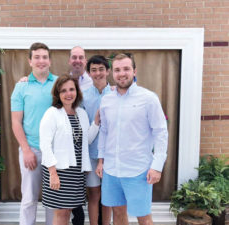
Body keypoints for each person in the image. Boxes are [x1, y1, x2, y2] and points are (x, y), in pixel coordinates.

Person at [96, 53, 168, 225]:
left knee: (144, 218)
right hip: (112, 170)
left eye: (126, 69)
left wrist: (157, 166)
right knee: (118, 214)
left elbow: (160, 132)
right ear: (112, 73)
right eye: (117, 70)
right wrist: (101, 160)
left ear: (134, 71)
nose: (122, 74)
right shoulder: (106, 100)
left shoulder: (149, 98)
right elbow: (104, 131)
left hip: (138, 170)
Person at [39, 75, 99, 225]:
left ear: (77, 92)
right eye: (63, 91)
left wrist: (96, 123)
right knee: (61, 212)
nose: (68, 94)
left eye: (71, 89)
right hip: (58, 171)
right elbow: (45, 145)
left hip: (76, 172)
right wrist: (52, 173)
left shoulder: (81, 113)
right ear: (58, 94)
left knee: (69, 211)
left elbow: (86, 140)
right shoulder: (52, 113)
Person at [11, 42, 56, 225]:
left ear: (50, 61)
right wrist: (26, 150)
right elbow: (16, 122)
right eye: (36, 57)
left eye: (44, 57)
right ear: (30, 61)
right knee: (29, 199)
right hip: (32, 150)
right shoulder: (21, 87)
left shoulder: (60, 83)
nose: (41, 61)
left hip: (55, 152)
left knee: (53, 201)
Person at [82, 55, 112, 225]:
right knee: (93, 194)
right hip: (91, 154)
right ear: (89, 73)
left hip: (111, 155)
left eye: (101, 69)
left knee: (108, 195)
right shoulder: (83, 97)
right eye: (94, 70)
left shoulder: (116, 94)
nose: (98, 73)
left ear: (107, 71)